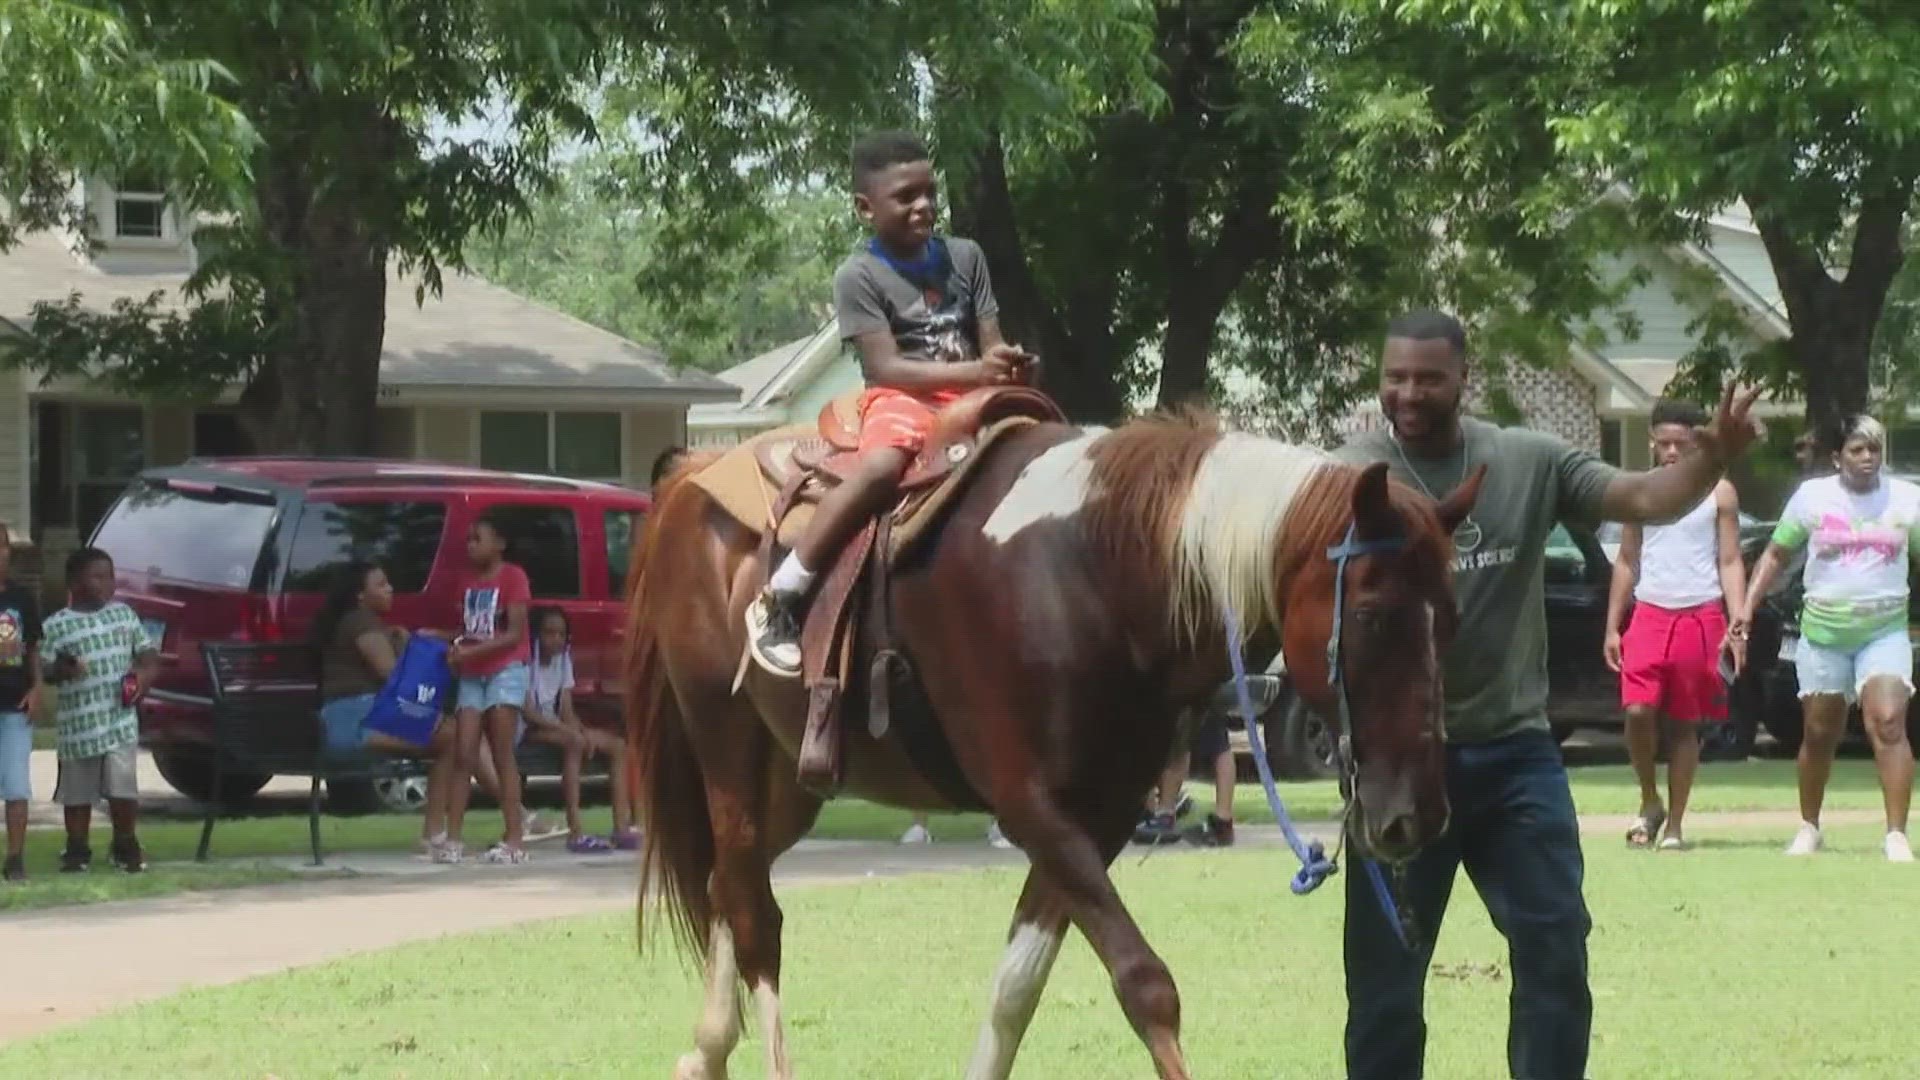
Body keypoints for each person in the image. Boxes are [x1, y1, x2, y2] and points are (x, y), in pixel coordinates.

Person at [1334, 310, 1757, 1080]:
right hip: (1399, 764)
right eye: (1395, 376)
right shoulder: (1348, 476)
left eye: (1429, 377)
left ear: (1465, 375)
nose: (1409, 392)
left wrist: (1710, 460)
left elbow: (1642, 495)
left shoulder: (1527, 459)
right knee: (1384, 984)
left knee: (1555, 946)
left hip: (1514, 753)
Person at [745, 129, 1036, 677]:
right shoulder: (859, 276)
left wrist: (1007, 362)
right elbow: (885, 367)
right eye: (905, 197)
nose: (923, 206)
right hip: (904, 399)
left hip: (976, 396)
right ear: (864, 207)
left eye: (929, 192)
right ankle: (782, 594)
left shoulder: (966, 257)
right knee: (881, 466)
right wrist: (977, 369)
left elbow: (990, 337)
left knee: (1041, 447)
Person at [1736, 415, 1917, 863]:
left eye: (1874, 449)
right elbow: (1777, 554)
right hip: (1823, 633)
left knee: (1889, 721)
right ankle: (1809, 826)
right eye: (1857, 450)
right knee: (1819, 733)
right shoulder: (1812, 498)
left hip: (1884, 630)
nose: (1868, 458)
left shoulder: (1908, 501)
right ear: (1837, 458)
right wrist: (1745, 608)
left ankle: (1896, 834)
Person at [1603, 400, 1747, 851]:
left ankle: (1676, 825)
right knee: (1638, 711)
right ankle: (1650, 799)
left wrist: (1738, 619)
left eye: (1679, 445)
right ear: (1651, 441)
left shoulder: (1719, 493)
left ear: (1695, 443)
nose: (1669, 451)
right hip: (1648, 613)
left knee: (1684, 724)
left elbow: (1729, 558)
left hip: (1700, 614)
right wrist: (1612, 626)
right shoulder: (1639, 491)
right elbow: (1627, 560)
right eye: (1662, 443)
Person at [41, 548, 158, 874]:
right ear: (75, 582)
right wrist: (63, 668)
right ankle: (77, 849)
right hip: (78, 726)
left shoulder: (123, 615)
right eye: (98, 576)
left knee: (123, 790)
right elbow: (45, 671)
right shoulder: (57, 626)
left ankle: (125, 843)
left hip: (119, 722)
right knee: (77, 795)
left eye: (111, 576)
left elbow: (149, 655)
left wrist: (142, 679)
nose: (109, 583)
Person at [437, 513, 534, 865]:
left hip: (505, 670)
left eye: (478, 538)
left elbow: (512, 634)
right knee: (464, 752)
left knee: (501, 749)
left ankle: (515, 839)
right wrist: (445, 642)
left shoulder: (513, 577)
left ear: (500, 544)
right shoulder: (465, 580)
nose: (471, 545)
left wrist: (471, 652)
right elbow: (468, 629)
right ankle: (453, 839)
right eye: (469, 539)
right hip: (471, 673)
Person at [525, 606, 639, 853]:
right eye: (549, 633)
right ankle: (576, 832)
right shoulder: (526, 662)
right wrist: (571, 733)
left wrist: (581, 730)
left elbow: (565, 708)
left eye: (561, 634)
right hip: (531, 729)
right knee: (574, 743)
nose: (555, 640)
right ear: (536, 635)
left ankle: (622, 827)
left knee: (618, 746)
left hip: (557, 725)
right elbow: (530, 713)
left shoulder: (563, 659)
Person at [0, 524, 43, 883]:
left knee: (16, 786)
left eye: (1, 547)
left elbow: (32, 648)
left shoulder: (22, 599)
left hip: (15, 704)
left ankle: (15, 858)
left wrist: (37, 687)